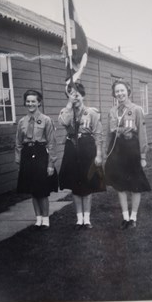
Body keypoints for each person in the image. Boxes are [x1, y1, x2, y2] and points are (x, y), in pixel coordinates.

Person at [58, 82, 106, 229]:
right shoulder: (66, 111)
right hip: (72, 148)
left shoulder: (91, 113)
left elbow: (98, 134)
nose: (75, 98)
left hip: (87, 149)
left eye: (77, 95)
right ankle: (79, 219)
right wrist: (68, 105)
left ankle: (87, 219)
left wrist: (98, 155)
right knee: (75, 185)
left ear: (83, 96)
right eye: (71, 95)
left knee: (87, 185)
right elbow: (63, 123)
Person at [105, 79, 151, 230]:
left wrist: (143, 155)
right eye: (117, 91)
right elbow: (109, 133)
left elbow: (142, 133)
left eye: (122, 90)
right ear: (114, 94)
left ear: (128, 91)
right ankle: (125, 217)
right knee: (120, 185)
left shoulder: (136, 109)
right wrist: (107, 152)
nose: (120, 94)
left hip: (132, 148)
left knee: (135, 184)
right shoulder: (112, 111)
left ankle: (133, 217)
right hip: (117, 149)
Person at [15, 89, 58, 230]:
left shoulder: (46, 120)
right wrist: (19, 160)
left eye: (33, 101)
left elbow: (51, 143)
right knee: (33, 190)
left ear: (39, 102)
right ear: (25, 103)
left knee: (42, 189)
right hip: (28, 154)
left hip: (41, 154)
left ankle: (46, 219)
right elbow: (18, 143)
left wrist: (51, 164)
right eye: (28, 101)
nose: (30, 104)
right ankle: (38, 219)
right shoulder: (22, 121)